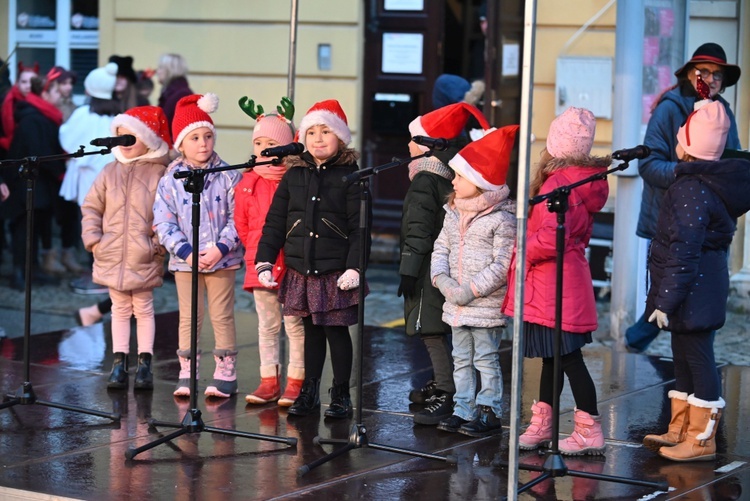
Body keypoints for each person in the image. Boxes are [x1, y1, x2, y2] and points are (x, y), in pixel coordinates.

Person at [641, 100, 750, 462]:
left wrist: (664, 302)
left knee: (698, 360)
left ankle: (701, 440)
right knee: (683, 357)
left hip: (692, 290)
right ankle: (681, 429)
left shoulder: (689, 190)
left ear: (687, 146)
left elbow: (683, 250)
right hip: (698, 287)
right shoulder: (702, 184)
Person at [503, 107, 610, 455]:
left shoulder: (560, 183)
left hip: (555, 284)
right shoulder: (579, 181)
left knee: (568, 358)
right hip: (558, 283)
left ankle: (589, 427)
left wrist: (522, 250)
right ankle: (544, 424)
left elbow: (552, 239)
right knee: (553, 358)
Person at [255, 99, 368, 419]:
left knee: (336, 331)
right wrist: (264, 259)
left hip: (335, 270)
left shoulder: (351, 176)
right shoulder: (295, 174)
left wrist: (355, 266)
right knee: (311, 332)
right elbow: (276, 221)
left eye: (326, 131)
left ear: (341, 138)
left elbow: (361, 228)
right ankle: (309, 390)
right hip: (301, 267)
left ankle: (342, 393)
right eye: (312, 132)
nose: (318, 138)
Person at [626, 42, 742, 353]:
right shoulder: (669, 108)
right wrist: (690, 174)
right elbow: (649, 165)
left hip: (711, 225)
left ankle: (688, 369)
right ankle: (637, 344)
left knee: (699, 300)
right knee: (667, 297)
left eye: (718, 74)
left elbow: (731, 163)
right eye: (703, 71)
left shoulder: (723, 112)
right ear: (689, 74)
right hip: (668, 223)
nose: (711, 79)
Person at [399, 102, 491, 426]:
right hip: (444, 269)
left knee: (430, 331)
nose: (407, 146)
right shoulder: (447, 179)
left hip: (427, 272)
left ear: (426, 146)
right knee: (441, 331)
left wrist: (408, 270)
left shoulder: (425, 181)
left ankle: (446, 390)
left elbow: (419, 231)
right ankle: (443, 382)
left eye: (412, 140)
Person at [153, 93, 243, 399]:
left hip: (222, 259)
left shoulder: (229, 175)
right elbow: (163, 223)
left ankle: (225, 372)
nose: (203, 143)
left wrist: (221, 247)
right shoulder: (170, 180)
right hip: (185, 261)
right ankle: (187, 371)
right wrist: (186, 252)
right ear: (181, 144)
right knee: (189, 316)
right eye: (194, 138)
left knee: (222, 313)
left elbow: (238, 217)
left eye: (208, 136)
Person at [429, 125, 518, 437]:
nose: (453, 181)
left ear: (480, 182)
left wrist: (468, 290)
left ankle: (489, 410)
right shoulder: (452, 212)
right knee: (460, 359)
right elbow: (441, 247)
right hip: (455, 302)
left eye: (460, 176)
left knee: (485, 359)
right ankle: (462, 408)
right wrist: (442, 279)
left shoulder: (502, 219)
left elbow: (501, 265)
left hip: (483, 306)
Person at [81, 105, 172, 390]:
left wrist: (158, 245)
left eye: (130, 136)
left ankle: (145, 364)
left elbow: (168, 212)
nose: (123, 141)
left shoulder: (159, 173)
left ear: (148, 138)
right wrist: (94, 240)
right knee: (119, 309)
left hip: (143, 254)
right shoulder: (109, 172)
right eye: (119, 135)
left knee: (143, 308)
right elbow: (92, 206)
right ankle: (119, 362)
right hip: (111, 254)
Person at [235, 96, 305, 407]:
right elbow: (242, 223)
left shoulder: (296, 181)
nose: (265, 150)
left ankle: (296, 380)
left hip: (290, 264)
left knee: (294, 324)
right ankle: (268, 380)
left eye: (272, 143)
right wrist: (254, 252)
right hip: (259, 263)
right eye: (259, 143)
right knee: (267, 325)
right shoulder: (248, 182)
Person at [60, 62, 120, 291]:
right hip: (111, 183)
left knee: (92, 230)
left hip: (89, 183)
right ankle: (102, 274)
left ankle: (99, 277)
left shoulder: (84, 115)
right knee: (106, 229)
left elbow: (67, 139)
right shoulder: (117, 116)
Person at [4, 72, 65, 291]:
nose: (60, 96)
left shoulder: (44, 115)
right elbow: (39, 152)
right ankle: (19, 272)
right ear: (45, 93)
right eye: (57, 91)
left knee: (36, 228)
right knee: (23, 228)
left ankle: (33, 269)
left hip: (39, 183)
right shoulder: (32, 118)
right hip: (24, 183)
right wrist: (60, 169)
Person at [0, 61, 39, 152]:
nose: (28, 86)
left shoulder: (45, 103)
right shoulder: (5, 102)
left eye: (32, 82)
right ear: (17, 83)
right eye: (24, 82)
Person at [156, 54, 193, 128]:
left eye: (161, 68)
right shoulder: (171, 93)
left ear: (170, 70)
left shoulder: (181, 95)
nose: (158, 71)